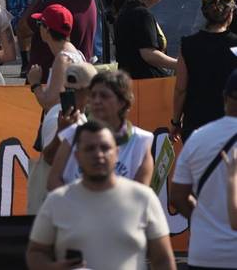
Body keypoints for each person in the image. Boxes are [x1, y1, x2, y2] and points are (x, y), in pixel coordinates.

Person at [27, 121, 174, 270]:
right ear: (77, 156)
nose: (98, 154)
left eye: (105, 148)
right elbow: (36, 253)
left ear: (116, 153)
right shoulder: (57, 200)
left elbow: (163, 260)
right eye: (90, 149)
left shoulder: (144, 199)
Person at [170, 68, 237, 270]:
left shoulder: (199, 137)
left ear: (225, 98)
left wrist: (203, 219)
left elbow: (178, 196)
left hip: (205, 253)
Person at [48, 69, 154, 191]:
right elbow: (53, 181)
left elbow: (140, 193)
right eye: (93, 95)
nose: (97, 101)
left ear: (122, 102)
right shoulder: (72, 134)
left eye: (104, 96)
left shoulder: (140, 141)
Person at [26, 61, 95, 216]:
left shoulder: (79, 115)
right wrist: (61, 132)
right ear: (89, 91)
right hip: (54, 208)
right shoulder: (57, 116)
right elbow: (49, 158)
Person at [171, 0, 237, 142]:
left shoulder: (187, 44)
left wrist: (175, 121)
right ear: (230, 14)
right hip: (229, 125)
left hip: (195, 125)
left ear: (205, 14)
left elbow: (181, 89)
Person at [114, 0, 177, 79]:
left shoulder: (128, 11)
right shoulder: (141, 14)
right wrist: (179, 65)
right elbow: (149, 54)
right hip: (145, 85)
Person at [25, 4, 84, 111]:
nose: (39, 29)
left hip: (60, 123)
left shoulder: (63, 59)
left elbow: (49, 104)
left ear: (47, 29)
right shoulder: (75, 53)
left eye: (40, 24)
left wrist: (35, 83)